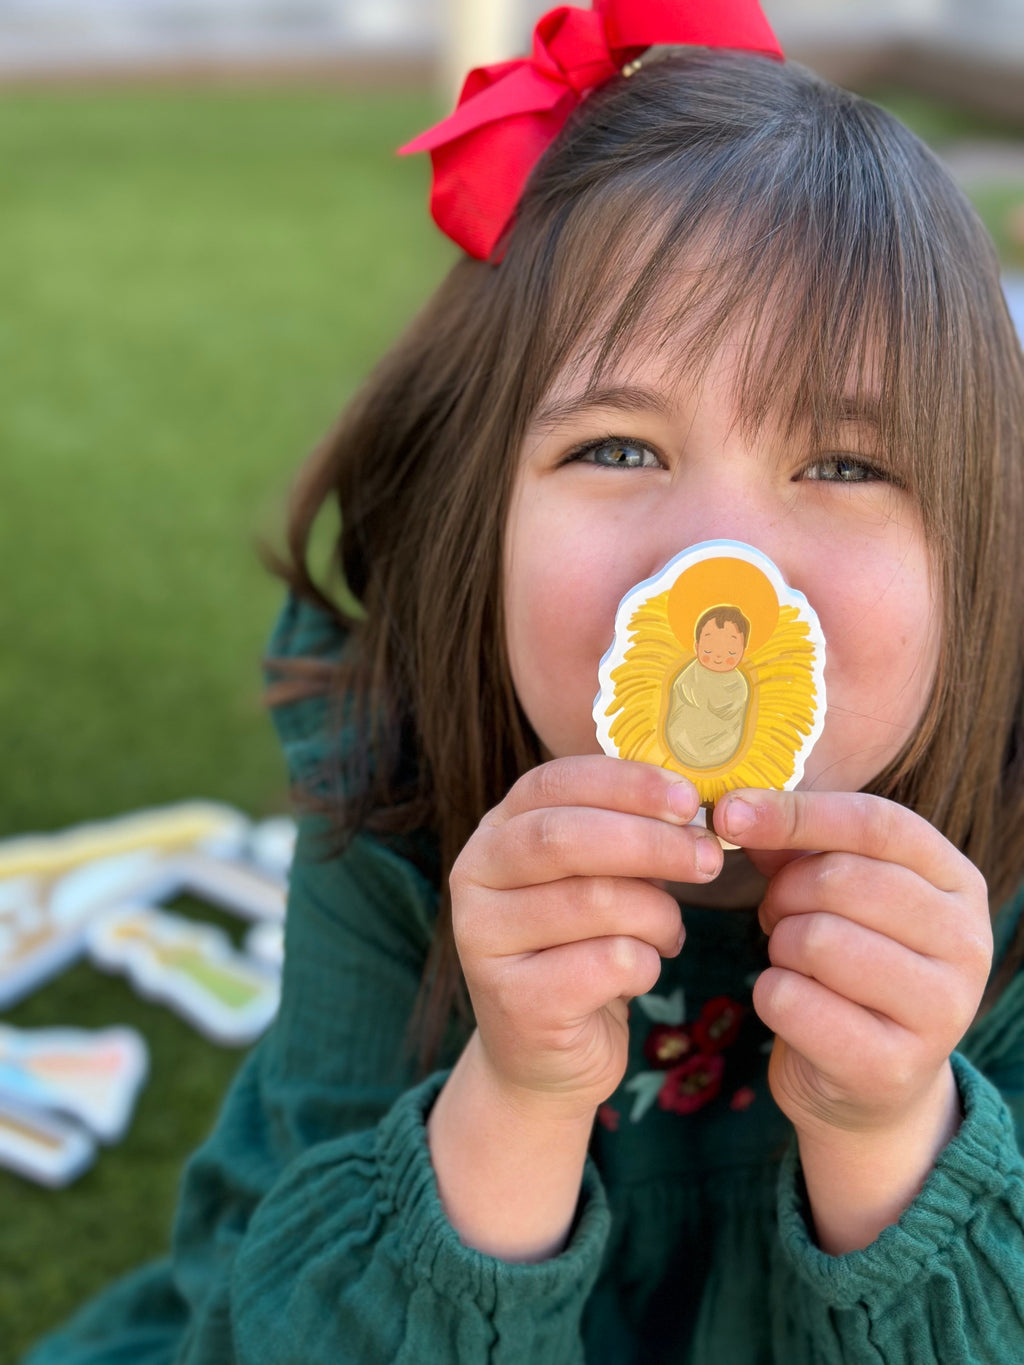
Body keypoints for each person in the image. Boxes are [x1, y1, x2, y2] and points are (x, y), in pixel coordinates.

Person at [24, 2, 1024, 1361]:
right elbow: (267, 1326)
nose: (717, 565)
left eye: (845, 465)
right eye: (617, 448)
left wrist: (896, 1132)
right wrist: (516, 1094)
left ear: (983, 564)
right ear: (474, 517)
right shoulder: (398, 791)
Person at [665, 606, 751, 768]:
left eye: (731, 652)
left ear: (742, 652)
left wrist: (718, 705)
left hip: (721, 747)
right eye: (709, 650)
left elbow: (734, 709)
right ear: (697, 646)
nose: (718, 656)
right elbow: (681, 694)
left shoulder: (738, 683)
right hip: (684, 743)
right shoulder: (690, 674)